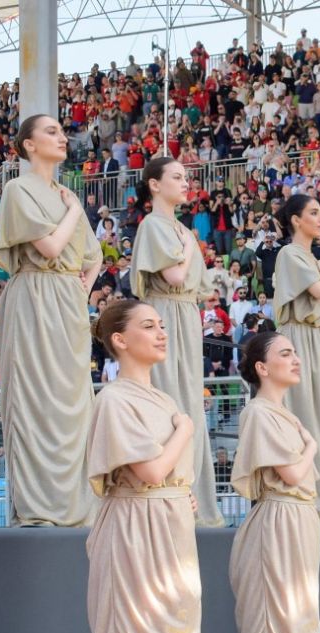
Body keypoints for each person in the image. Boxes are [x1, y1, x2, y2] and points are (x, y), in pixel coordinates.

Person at [84, 299, 201, 633]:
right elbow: (150, 471)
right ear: (119, 340)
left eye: (161, 325)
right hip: (134, 531)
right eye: (147, 326)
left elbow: (168, 476)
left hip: (170, 528)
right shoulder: (115, 399)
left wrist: (182, 494)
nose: (160, 333)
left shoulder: (162, 399)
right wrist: (185, 430)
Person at [0, 113, 102, 527]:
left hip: (67, 302)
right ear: (29, 144)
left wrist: (81, 290)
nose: (62, 138)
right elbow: (51, 247)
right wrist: (74, 210)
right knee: (35, 398)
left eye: (61, 131)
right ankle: (40, 506)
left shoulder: (64, 193)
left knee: (73, 400)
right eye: (51, 132)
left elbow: (93, 258)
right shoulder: (18, 189)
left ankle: (77, 505)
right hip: (34, 295)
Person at [230, 331, 320, 633]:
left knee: (301, 628)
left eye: (295, 352)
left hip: (299, 521)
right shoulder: (258, 412)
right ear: (262, 368)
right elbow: (290, 474)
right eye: (285, 353)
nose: (295, 359)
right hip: (278, 521)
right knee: (278, 627)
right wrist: (311, 446)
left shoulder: (283, 415)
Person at [131, 156, 226, 528]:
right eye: (177, 177)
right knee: (170, 398)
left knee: (190, 403)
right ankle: (170, 492)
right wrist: (188, 249)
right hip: (165, 314)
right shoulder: (154, 225)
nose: (186, 183)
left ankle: (195, 497)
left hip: (187, 315)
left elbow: (200, 286)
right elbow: (174, 276)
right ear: (155, 185)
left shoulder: (181, 229)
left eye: (186, 177)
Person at [272, 194, 320, 520]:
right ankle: (310, 497)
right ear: (296, 220)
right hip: (300, 338)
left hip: (319, 338)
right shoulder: (290, 253)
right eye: (313, 213)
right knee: (306, 414)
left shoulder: (310, 258)